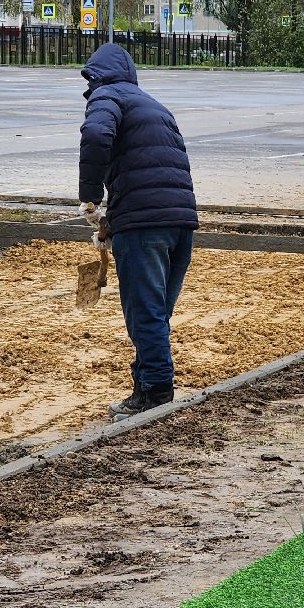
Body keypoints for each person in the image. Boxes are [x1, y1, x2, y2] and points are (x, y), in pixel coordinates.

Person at [77, 42, 198, 421]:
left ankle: (156, 395)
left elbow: (96, 135)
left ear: (96, 76)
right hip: (180, 222)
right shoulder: (154, 106)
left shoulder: (107, 96)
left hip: (145, 228)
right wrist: (112, 223)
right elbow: (148, 174)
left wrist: (90, 198)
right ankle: (143, 388)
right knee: (156, 313)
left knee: (145, 314)